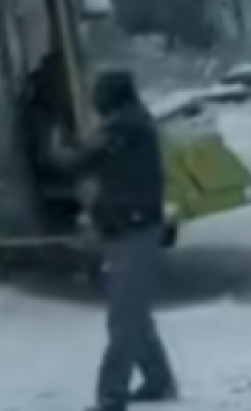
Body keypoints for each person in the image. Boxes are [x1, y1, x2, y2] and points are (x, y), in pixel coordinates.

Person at [55, 69, 179, 411]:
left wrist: (54, 145)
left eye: (99, 94)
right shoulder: (131, 123)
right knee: (135, 314)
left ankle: (111, 396)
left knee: (123, 318)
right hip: (134, 228)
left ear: (111, 96)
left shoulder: (123, 128)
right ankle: (159, 381)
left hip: (131, 231)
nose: (95, 102)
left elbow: (77, 162)